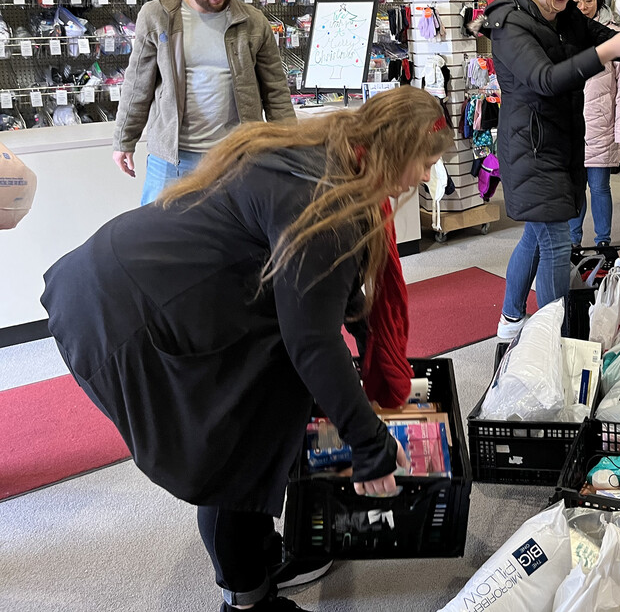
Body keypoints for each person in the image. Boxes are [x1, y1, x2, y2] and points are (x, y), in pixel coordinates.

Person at [41, 87, 450, 612]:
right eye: (426, 161)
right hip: (128, 314)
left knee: (264, 412)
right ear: (396, 150)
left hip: (138, 280)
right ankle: (248, 600)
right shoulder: (330, 203)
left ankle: (256, 556)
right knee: (227, 454)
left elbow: (322, 290)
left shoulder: (329, 147)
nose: (423, 176)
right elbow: (313, 342)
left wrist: (367, 336)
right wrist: (370, 447)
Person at [480, 0, 620, 340]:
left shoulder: (562, 14)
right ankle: (552, 339)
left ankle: (510, 323)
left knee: (535, 237)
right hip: (530, 147)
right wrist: (609, 53)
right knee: (557, 243)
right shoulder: (510, 23)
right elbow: (545, 80)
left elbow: (597, 36)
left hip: (559, 141)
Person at [112, 0, 295, 205]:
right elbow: (138, 83)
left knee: (234, 241)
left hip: (237, 158)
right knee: (159, 238)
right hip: (173, 159)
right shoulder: (157, 16)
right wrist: (123, 139)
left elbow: (276, 90)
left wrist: (291, 145)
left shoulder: (253, 22)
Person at [568, 0, 620, 250]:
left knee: (599, 188)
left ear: (599, 1)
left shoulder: (616, 36)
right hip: (571, 127)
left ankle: (603, 241)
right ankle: (571, 242)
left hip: (601, 127)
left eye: (589, 1)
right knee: (573, 190)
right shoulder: (562, 33)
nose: (583, 6)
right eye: (577, 1)